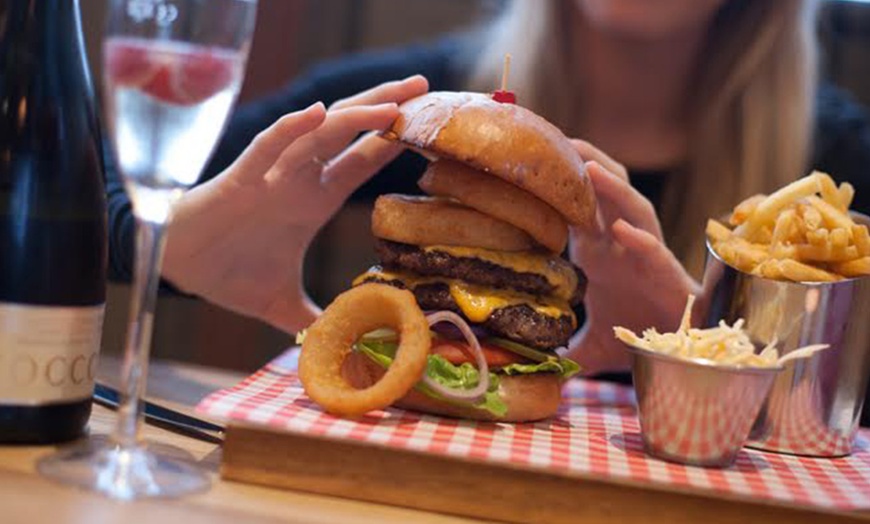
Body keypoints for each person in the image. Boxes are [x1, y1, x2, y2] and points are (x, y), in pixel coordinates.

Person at [107, 0, 870, 379]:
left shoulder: (839, 164)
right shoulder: (424, 109)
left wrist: (698, 370)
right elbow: (77, 184)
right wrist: (160, 239)